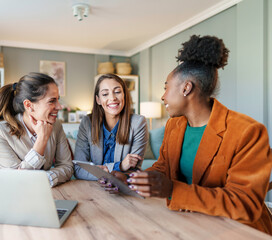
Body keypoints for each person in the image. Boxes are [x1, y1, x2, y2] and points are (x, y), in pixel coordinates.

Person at [121, 35, 272, 234]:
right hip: (189, 222)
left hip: (237, 230)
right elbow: (163, 168)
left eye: (166, 87)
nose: (163, 96)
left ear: (186, 88)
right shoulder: (174, 125)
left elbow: (245, 204)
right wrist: (130, 180)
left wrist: (173, 191)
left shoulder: (247, 131)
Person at [0, 72, 73, 187]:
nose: (59, 107)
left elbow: (67, 167)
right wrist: (41, 140)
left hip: (49, 193)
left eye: (58, 100)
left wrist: (44, 179)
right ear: (28, 105)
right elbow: (16, 181)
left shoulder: (56, 125)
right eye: (52, 101)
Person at [74, 74, 149, 180]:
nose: (112, 98)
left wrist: (97, 171)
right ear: (98, 100)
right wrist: (120, 166)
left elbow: (133, 170)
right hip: (92, 188)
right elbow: (78, 169)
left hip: (122, 188)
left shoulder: (138, 123)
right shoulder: (87, 123)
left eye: (117, 92)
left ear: (124, 95)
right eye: (105, 94)